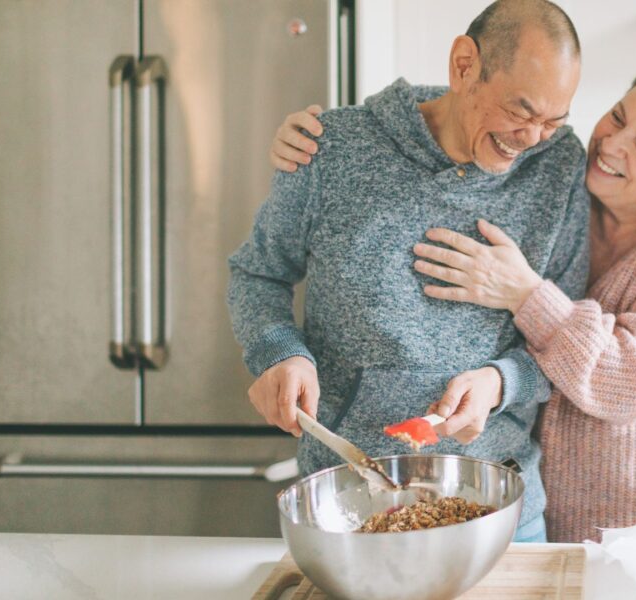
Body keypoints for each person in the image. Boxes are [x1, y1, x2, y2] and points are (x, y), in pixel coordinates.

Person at [269, 69, 636, 542]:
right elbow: (474, 113)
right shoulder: (574, 192)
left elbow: (629, 381)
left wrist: (525, 294)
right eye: (618, 116)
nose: (612, 143)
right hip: (558, 507)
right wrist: (330, 135)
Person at [228, 0, 590, 543]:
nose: (532, 138)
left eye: (553, 121)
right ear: (464, 65)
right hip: (349, 504)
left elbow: (564, 336)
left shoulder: (558, 167)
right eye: (521, 112)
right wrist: (279, 352)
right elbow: (258, 274)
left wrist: (500, 382)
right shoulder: (333, 147)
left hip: (500, 512)